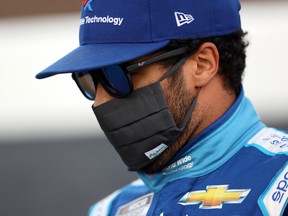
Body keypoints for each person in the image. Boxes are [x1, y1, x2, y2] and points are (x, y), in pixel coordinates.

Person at [36, 0, 288, 215]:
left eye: (116, 76)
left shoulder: (280, 184)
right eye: (90, 80)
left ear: (202, 64)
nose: (100, 101)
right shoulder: (109, 209)